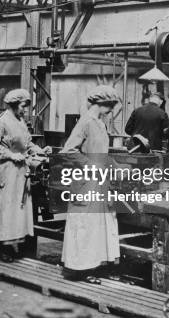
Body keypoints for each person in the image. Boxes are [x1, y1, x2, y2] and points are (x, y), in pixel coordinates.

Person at [60, 85, 121, 279]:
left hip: (98, 183)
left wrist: (115, 166)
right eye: (110, 105)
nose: (112, 110)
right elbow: (68, 151)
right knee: (84, 225)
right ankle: (79, 269)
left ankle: (92, 265)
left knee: (95, 226)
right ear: (102, 103)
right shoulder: (86, 122)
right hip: (86, 182)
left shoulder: (100, 123)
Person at [0, 88, 51, 262]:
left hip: (21, 170)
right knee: (6, 209)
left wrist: (41, 150)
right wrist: (11, 154)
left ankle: (16, 242)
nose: (25, 110)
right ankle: (4, 247)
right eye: (23, 106)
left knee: (19, 209)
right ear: (14, 104)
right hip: (8, 169)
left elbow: (28, 143)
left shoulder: (21, 121)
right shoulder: (1, 121)